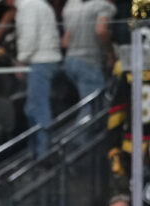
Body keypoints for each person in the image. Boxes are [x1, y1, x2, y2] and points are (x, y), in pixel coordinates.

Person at [9, 0, 61, 159]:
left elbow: (29, 36)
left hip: (40, 61)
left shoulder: (29, 6)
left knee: (38, 108)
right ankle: (36, 150)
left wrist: (21, 60)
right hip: (42, 60)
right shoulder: (36, 4)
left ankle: (43, 153)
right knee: (32, 108)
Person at [60, 0, 115, 116]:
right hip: (89, 61)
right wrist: (111, 53)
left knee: (90, 105)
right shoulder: (105, 6)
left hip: (70, 61)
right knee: (91, 110)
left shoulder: (77, 8)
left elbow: (65, 41)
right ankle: (84, 134)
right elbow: (101, 31)